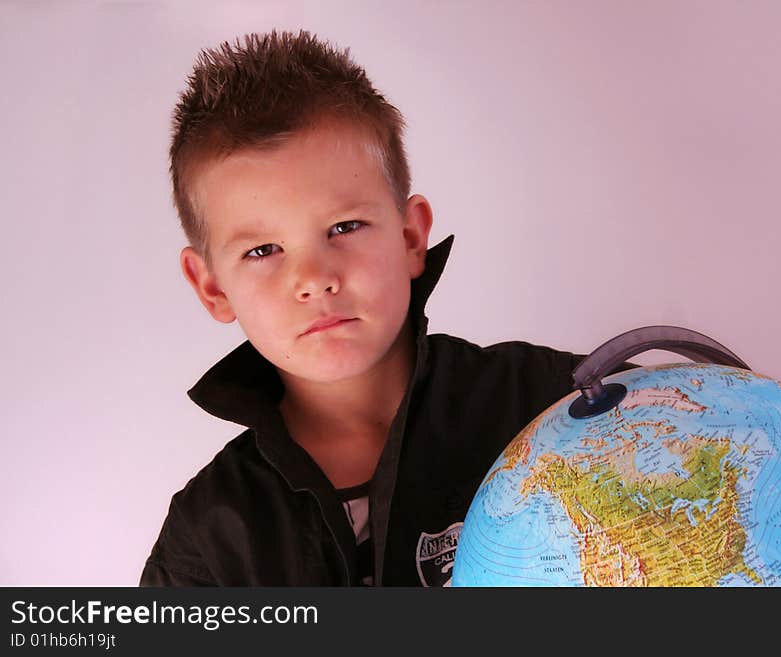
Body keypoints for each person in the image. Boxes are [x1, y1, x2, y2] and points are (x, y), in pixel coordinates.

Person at [139, 29, 628, 586]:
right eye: (262, 250)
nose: (314, 279)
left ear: (410, 237)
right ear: (212, 288)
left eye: (344, 227)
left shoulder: (565, 406)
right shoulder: (209, 541)